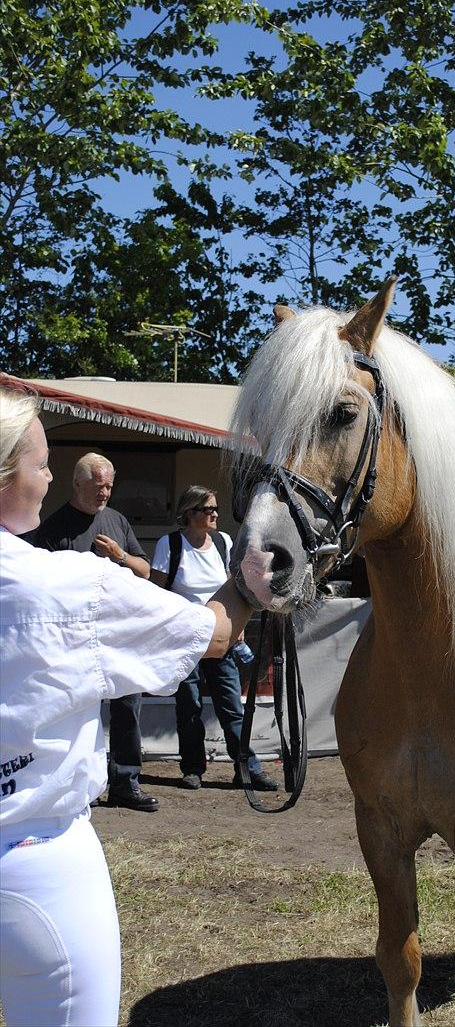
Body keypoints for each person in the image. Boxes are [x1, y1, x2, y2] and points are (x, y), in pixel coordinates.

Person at [0, 388, 253, 1027]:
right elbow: (214, 632)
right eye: (41, 463)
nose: (51, 476)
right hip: (34, 859)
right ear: (6, 477)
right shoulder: (62, 580)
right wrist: (255, 575)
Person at [34, 453, 158, 812]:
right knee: (76, 710)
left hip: (118, 632)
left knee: (127, 708)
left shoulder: (117, 521)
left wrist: (120, 555)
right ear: (76, 484)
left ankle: (125, 782)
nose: (104, 492)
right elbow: (41, 583)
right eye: (97, 485)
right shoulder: (54, 527)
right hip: (73, 636)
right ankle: (71, 786)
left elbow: (145, 570)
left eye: (108, 485)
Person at [150, 485, 279, 793]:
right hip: (184, 638)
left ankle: (247, 767)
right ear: (190, 514)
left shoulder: (223, 542)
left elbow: (234, 585)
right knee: (189, 706)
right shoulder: (170, 545)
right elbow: (156, 593)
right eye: (209, 510)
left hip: (221, 637)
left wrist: (239, 625)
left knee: (232, 705)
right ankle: (193, 768)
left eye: (215, 509)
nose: (215, 515)